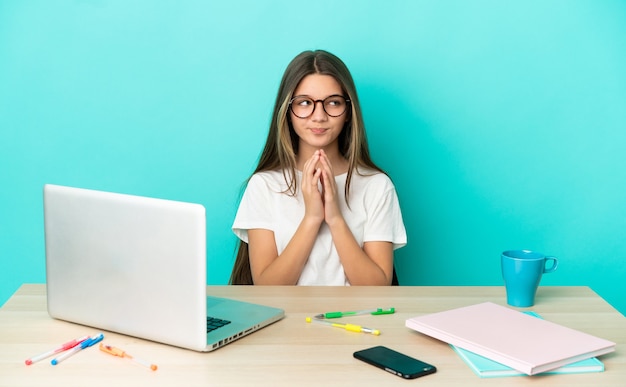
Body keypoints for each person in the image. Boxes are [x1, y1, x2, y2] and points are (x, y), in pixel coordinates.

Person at [230, 50, 406, 286]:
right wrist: (312, 218)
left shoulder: (377, 186)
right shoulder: (264, 185)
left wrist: (335, 218)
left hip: (353, 320)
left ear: (348, 112)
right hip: (286, 322)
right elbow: (266, 288)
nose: (319, 116)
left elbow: (378, 287)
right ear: (287, 112)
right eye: (305, 103)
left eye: (333, 102)